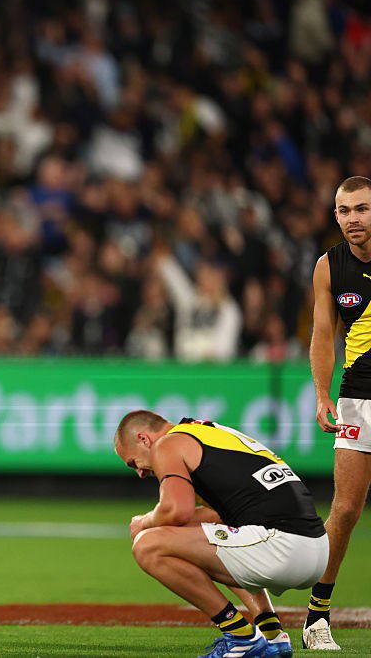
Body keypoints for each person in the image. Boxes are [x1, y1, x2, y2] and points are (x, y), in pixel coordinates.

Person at [114, 411, 328, 658]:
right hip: (316, 550)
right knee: (204, 537)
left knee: (148, 544)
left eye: (133, 463)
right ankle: (272, 633)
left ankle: (240, 636)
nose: (140, 473)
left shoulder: (167, 444)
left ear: (144, 439)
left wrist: (144, 522)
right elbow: (218, 517)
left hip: (281, 547)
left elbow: (177, 511)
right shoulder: (206, 433)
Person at [304, 175, 371, 650]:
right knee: (345, 509)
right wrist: (322, 393)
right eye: (345, 211)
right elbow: (323, 334)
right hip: (359, 397)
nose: (354, 219)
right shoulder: (329, 266)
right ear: (335, 216)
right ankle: (316, 618)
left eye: (362, 209)